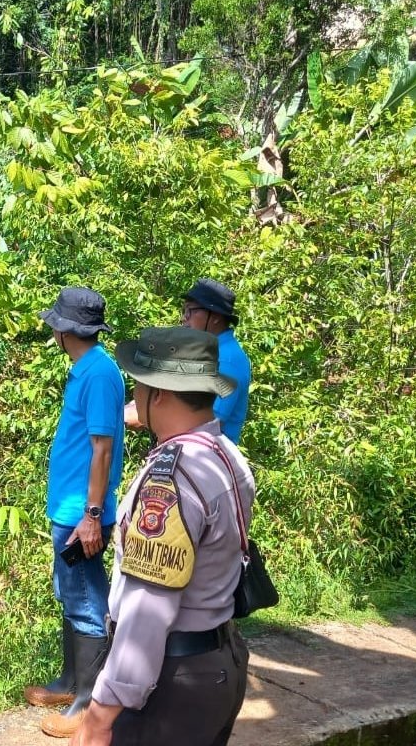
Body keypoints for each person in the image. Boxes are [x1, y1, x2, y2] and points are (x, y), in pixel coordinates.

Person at [73, 326, 255, 746]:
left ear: (159, 394)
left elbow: (147, 610)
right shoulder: (227, 456)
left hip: (172, 686)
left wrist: (100, 715)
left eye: (138, 384)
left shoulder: (169, 481)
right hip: (220, 663)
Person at [25, 287, 126, 739]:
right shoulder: (85, 369)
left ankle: (89, 703)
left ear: (66, 330)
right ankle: (70, 683)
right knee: (70, 595)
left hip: (81, 512)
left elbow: (102, 447)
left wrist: (91, 513)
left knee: (87, 603)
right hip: (68, 508)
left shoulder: (100, 374)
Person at [125, 279, 250, 443]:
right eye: (184, 311)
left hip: (200, 457)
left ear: (215, 317)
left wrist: (139, 414)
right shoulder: (210, 352)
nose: (184, 318)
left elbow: (203, 422)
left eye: (191, 311)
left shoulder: (226, 359)